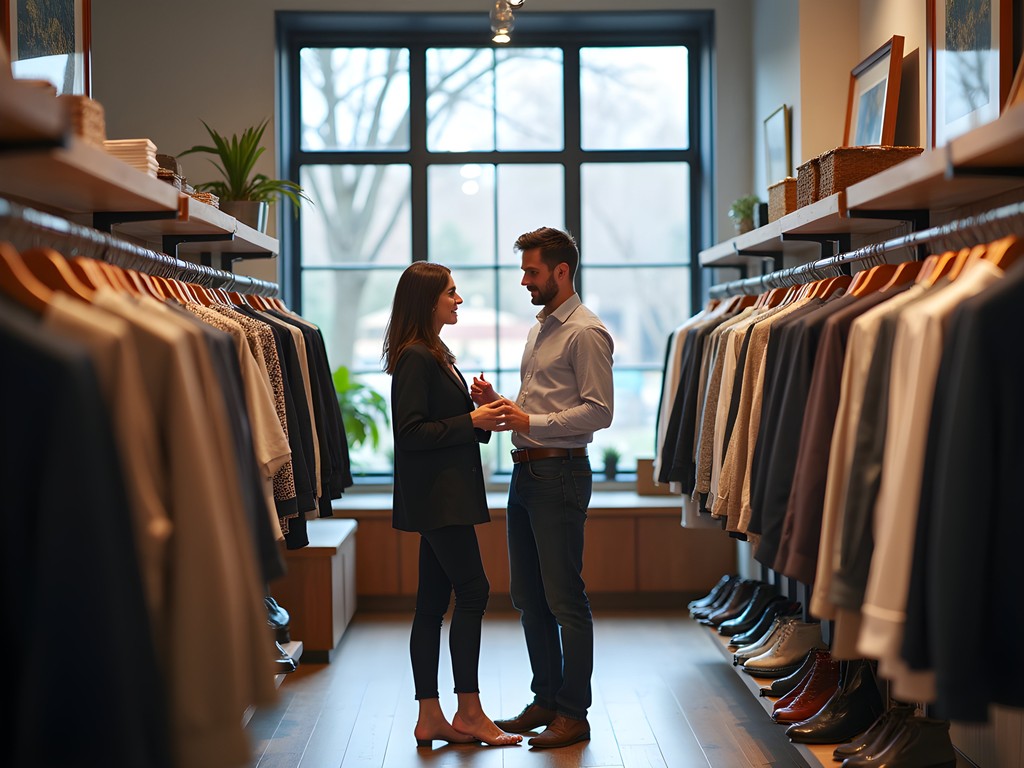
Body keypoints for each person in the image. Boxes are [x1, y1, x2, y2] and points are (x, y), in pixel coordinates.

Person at [470, 226, 614, 748]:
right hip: (527, 472)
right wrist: (503, 403)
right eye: (524, 270)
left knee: (564, 599)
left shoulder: (586, 332)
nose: (525, 280)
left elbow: (600, 412)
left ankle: (574, 712)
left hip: (560, 475)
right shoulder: (539, 329)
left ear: (561, 271)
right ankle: (546, 700)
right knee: (529, 598)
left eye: (532, 271)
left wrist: (527, 419)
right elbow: (545, 406)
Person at [382, 261, 522, 749]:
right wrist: (473, 420)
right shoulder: (416, 356)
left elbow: (441, 422)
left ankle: (430, 717)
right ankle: (469, 711)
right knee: (475, 591)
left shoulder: (433, 352)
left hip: (441, 496)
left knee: (431, 604)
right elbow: (411, 434)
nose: (458, 300)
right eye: (451, 292)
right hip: (440, 499)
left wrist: (476, 409)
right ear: (428, 300)